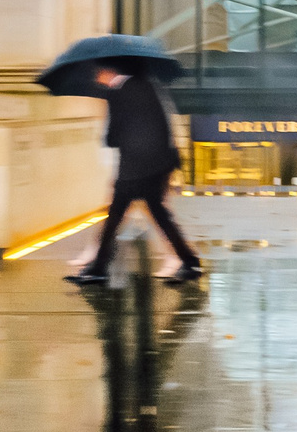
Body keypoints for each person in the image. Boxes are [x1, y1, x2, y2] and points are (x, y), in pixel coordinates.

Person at [69, 63, 204, 285]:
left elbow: (112, 137)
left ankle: (99, 269)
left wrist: (112, 122)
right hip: (155, 164)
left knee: (118, 216)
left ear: (108, 71)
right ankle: (190, 262)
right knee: (153, 215)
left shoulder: (119, 92)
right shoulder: (144, 85)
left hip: (138, 168)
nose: (97, 78)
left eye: (98, 73)